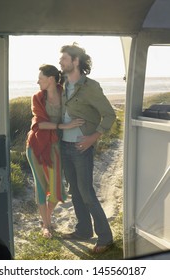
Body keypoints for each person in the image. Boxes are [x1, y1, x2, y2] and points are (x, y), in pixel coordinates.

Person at [59, 43, 116, 253]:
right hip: (64, 145)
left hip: (82, 147)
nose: (61, 62)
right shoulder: (63, 84)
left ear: (75, 61)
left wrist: (93, 137)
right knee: (74, 192)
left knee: (86, 193)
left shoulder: (91, 86)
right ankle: (83, 230)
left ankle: (105, 237)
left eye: (64, 59)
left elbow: (109, 114)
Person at [26, 64, 84, 238]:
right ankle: (46, 226)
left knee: (57, 189)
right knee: (41, 186)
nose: (37, 81)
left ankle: (45, 220)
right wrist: (63, 126)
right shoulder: (37, 97)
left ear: (51, 79)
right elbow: (39, 125)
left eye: (41, 78)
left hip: (56, 146)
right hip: (36, 145)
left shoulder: (66, 93)